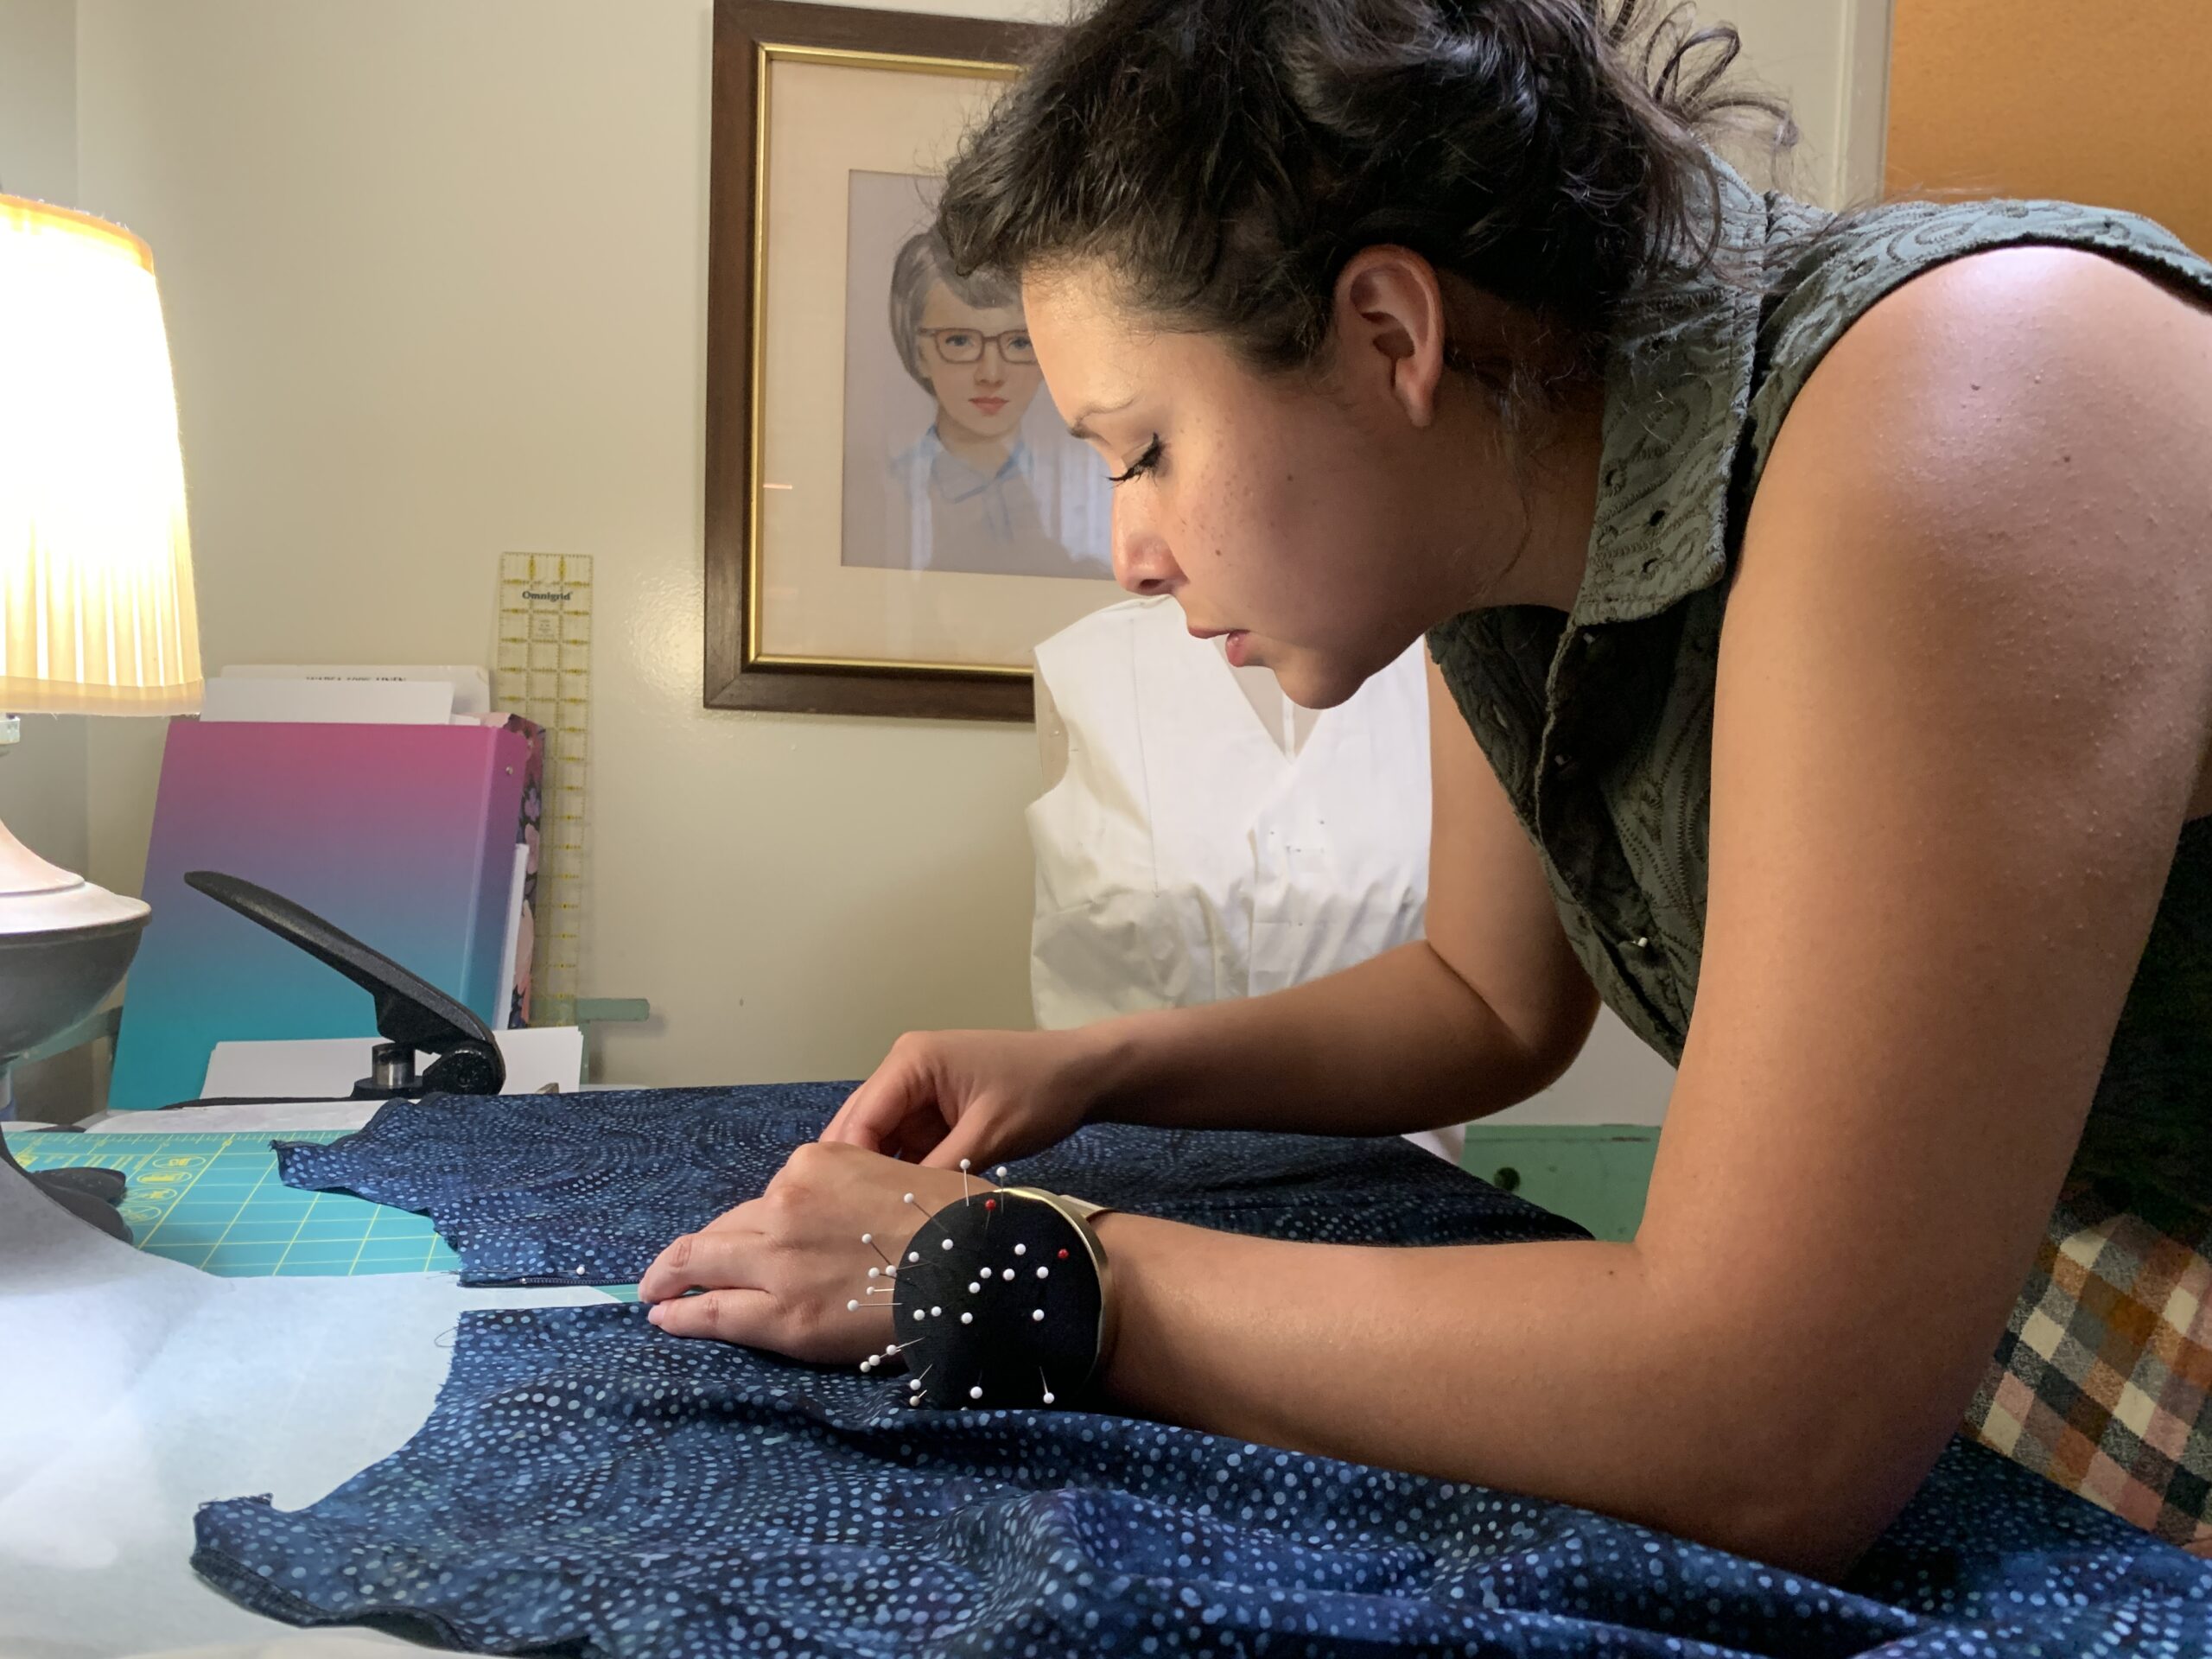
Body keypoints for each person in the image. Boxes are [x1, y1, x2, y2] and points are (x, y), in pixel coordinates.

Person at [640, 0, 2212, 1576]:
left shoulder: (1979, 392)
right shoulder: (1519, 517)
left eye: (1142, 450)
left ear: (1391, 335)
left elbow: (1763, 1422)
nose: (1130, 550)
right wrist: (1092, 1065)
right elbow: (1483, 996)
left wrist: (1016, 1266)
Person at [863, 227, 1103, 581]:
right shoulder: (889, 491)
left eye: (1020, 343)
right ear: (919, 353)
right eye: (959, 340)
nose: (991, 374)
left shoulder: (1083, 491)